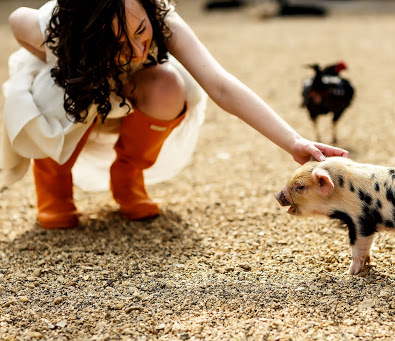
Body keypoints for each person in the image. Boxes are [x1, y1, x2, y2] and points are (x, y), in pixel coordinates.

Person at [2, 0, 348, 229]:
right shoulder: (62, 23)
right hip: (75, 94)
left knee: (169, 83)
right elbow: (18, 20)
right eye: (120, 43)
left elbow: (221, 85)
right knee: (56, 84)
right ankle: (54, 186)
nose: (138, 49)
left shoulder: (159, 15)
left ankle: (127, 176)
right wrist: (79, 63)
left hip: (134, 94)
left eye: (140, 33)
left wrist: (293, 141)